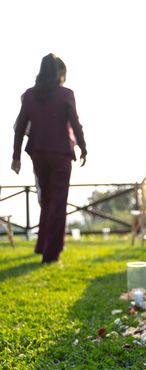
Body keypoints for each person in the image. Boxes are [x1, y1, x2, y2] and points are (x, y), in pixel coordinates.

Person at [12, 53, 87, 264]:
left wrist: (16, 157)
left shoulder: (29, 95)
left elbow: (19, 129)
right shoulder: (66, 94)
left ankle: (42, 244)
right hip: (61, 153)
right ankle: (51, 254)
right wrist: (83, 146)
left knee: (46, 200)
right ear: (58, 73)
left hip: (38, 153)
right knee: (58, 202)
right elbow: (75, 123)